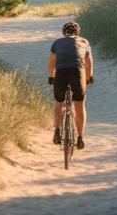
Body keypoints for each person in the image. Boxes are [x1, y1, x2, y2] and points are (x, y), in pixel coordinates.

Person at [48, 21, 93, 149]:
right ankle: (80, 138)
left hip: (61, 72)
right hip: (77, 72)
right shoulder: (84, 42)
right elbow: (88, 61)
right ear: (77, 33)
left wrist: (51, 76)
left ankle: (57, 131)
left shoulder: (57, 43)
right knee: (79, 104)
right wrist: (89, 77)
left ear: (64, 32)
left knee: (59, 102)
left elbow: (52, 61)